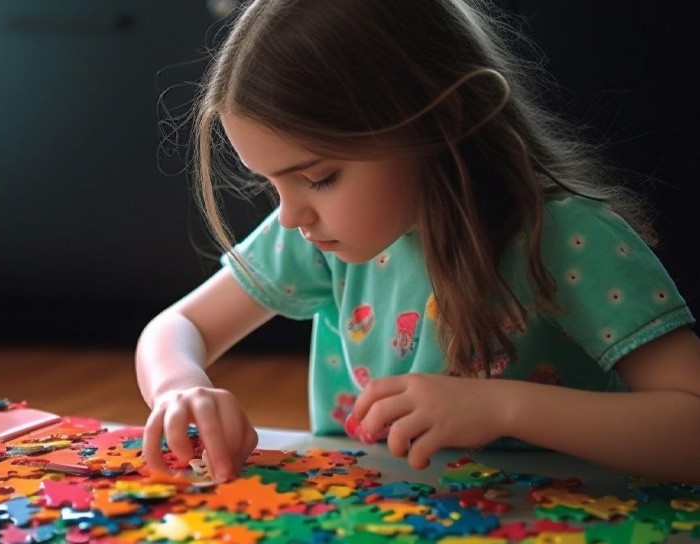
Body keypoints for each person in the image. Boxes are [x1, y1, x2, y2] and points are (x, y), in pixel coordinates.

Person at [135, 0, 700, 485]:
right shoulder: (321, 237)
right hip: (374, 532)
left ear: (441, 118)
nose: (290, 215)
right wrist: (180, 388)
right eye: (272, 184)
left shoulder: (569, 239)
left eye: (318, 178)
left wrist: (504, 408)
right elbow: (177, 327)